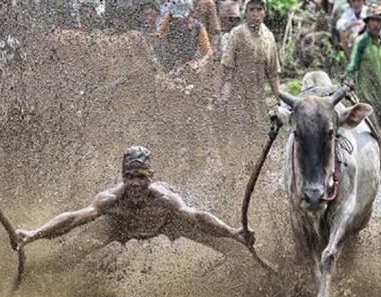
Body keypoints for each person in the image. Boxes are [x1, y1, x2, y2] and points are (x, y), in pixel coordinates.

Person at [15, 146, 254, 251]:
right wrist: (34, 234)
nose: (135, 184)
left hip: (166, 224)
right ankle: (35, 274)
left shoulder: (163, 199)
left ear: (151, 177)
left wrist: (233, 232)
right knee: (67, 258)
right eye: (129, 177)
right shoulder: (110, 200)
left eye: (140, 177)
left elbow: (197, 217)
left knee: (228, 245)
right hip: (118, 228)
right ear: (122, 178)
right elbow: (75, 218)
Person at [220, 0, 280, 129]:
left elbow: (273, 74)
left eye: (259, 10)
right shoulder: (237, 33)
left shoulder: (269, 37)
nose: (255, 14)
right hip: (237, 93)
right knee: (236, 130)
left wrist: (279, 99)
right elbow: (227, 67)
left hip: (258, 95)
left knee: (258, 130)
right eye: (251, 10)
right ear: (245, 13)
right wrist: (222, 93)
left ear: (264, 13)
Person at [345, 4, 381, 140]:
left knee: (380, 133)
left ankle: (378, 160)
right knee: (375, 133)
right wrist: (348, 81)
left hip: (380, 97)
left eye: (378, 21)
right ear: (368, 23)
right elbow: (352, 66)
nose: (376, 24)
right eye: (373, 20)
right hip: (365, 97)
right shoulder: (361, 42)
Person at [156, 0, 214, 72]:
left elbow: (208, 53)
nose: (178, 21)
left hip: (187, 67)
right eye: (176, 18)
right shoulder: (168, 20)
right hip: (167, 63)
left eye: (181, 19)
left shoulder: (198, 28)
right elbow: (157, 38)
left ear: (190, 13)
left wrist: (199, 64)